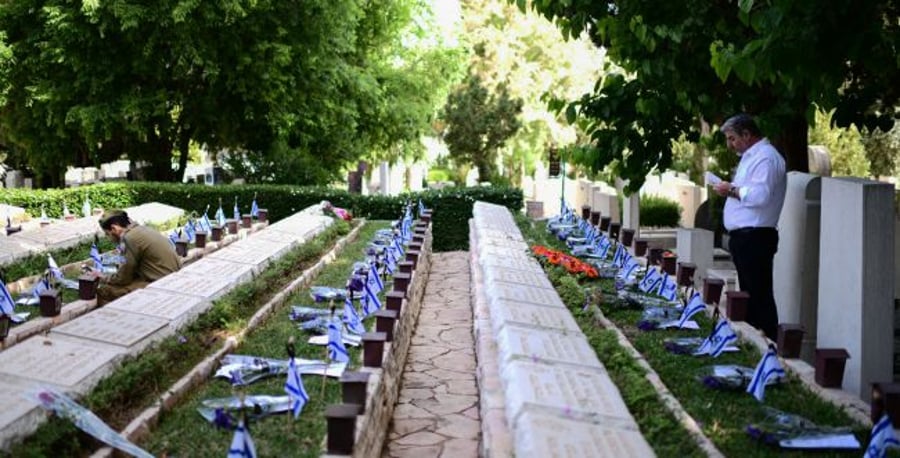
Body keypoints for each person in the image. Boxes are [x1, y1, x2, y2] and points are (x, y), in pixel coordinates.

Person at [713, 113, 787, 341]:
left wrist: (731, 190)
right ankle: (755, 340)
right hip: (745, 237)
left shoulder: (766, 157)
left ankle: (768, 344)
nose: (730, 144)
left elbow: (760, 195)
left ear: (747, 134)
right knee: (751, 294)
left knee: (759, 295)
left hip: (755, 236)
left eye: (732, 138)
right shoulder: (750, 157)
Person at [94, 210, 182, 305]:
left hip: (162, 284)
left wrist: (104, 277)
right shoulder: (142, 229)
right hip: (174, 277)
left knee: (104, 291)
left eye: (107, 234)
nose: (109, 238)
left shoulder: (129, 238)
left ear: (114, 228)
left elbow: (123, 278)